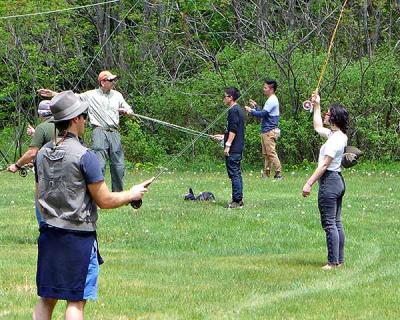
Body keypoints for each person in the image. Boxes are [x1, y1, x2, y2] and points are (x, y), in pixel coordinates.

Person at [32, 91, 153, 320]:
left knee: (46, 299)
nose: (85, 120)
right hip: (78, 238)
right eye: (83, 116)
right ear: (76, 119)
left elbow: (39, 194)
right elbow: (105, 200)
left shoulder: (42, 154)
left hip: (49, 233)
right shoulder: (85, 156)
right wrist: (132, 193)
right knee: (75, 301)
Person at [38, 70, 133, 192]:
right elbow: (73, 97)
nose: (113, 82)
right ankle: (98, 194)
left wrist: (128, 111)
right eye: (111, 80)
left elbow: (127, 107)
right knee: (100, 165)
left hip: (114, 132)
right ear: (102, 82)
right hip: (99, 131)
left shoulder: (117, 95)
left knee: (119, 165)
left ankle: (118, 195)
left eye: (114, 80)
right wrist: (53, 94)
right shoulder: (91, 95)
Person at [302, 91, 349, 270]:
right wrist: (317, 105)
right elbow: (317, 126)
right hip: (338, 181)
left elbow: (323, 166)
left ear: (334, 118)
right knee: (336, 222)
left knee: (329, 224)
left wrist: (309, 183)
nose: (325, 115)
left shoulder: (334, 141)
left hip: (330, 182)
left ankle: (332, 262)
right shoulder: (336, 135)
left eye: (328, 113)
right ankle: (339, 260)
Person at [8, 100, 56, 226]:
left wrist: (17, 165)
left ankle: (44, 227)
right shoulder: (64, 125)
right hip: (66, 171)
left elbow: (32, 153)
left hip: (45, 173)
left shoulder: (42, 128)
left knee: (41, 200)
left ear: (41, 114)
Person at [244, 79, 283, 180]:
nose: (264, 89)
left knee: (271, 153)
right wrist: (256, 106)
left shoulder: (272, 100)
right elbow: (265, 113)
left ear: (271, 89)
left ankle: (278, 173)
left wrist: (251, 110)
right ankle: (266, 174)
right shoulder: (270, 99)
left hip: (270, 131)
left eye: (265, 88)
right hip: (266, 131)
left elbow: (262, 114)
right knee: (266, 154)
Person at [214, 87, 245, 208]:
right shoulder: (236, 110)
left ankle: (237, 200)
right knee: (235, 173)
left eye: (225, 96)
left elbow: (233, 130)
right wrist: (223, 137)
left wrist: (227, 145)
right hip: (235, 145)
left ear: (230, 98)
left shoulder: (234, 110)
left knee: (234, 173)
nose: (224, 99)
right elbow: (232, 131)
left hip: (234, 148)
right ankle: (238, 199)